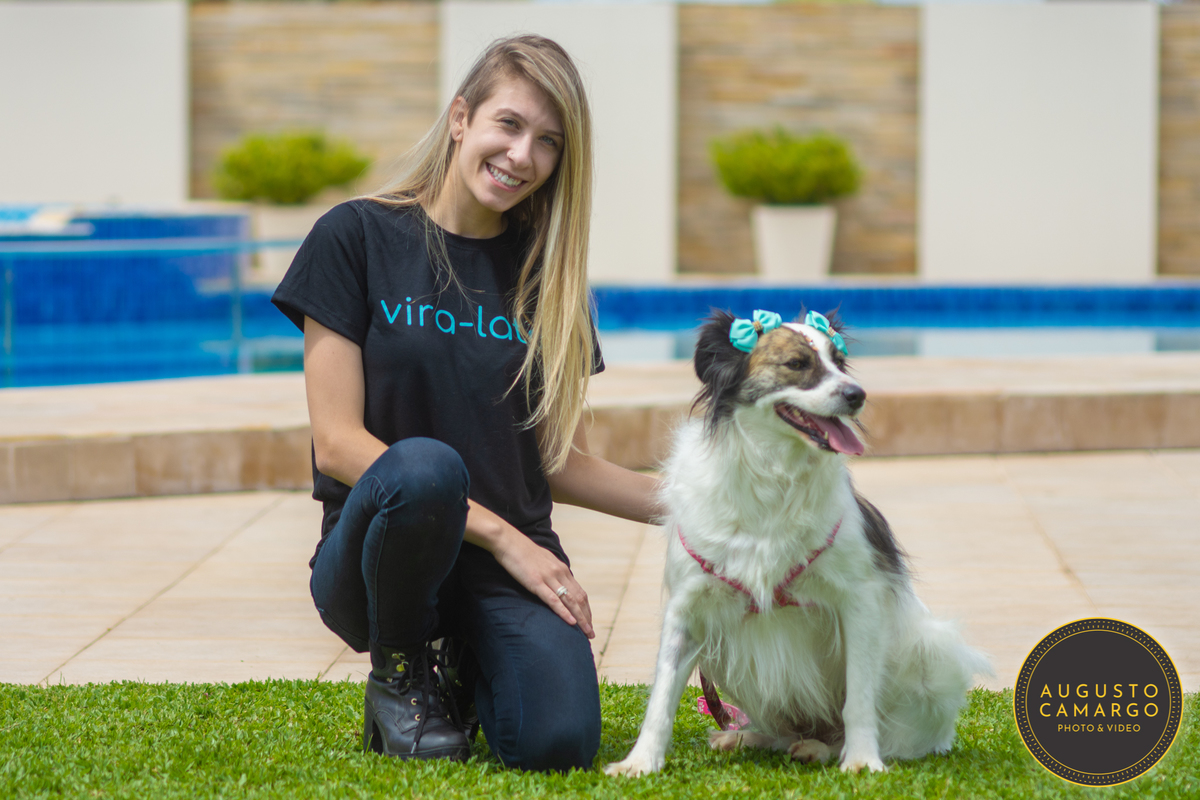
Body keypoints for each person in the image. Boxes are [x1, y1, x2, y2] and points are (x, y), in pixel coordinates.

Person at [271, 35, 661, 772]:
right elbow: (339, 444)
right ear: (460, 119)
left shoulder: (549, 279)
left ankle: (464, 667)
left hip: (498, 562)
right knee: (425, 469)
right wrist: (508, 539)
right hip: (378, 558)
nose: (522, 155)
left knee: (557, 742)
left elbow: (562, 464)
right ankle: (401, 675)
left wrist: (715, 509)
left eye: (548, 141)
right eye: (508, 124)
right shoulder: (356, 237)